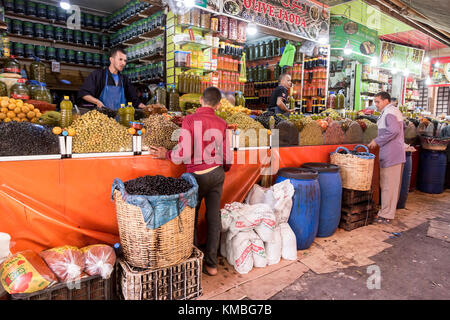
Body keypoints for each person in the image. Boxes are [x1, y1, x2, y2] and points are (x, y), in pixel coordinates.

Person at [149, 87, 231, 276]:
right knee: (213, 218)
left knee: (190, 219)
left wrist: (166, 154)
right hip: (217, 173)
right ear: (218, 105)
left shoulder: (190, 120)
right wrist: (222, 169)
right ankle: (211, 265)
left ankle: (192, 264)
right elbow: (226, 156)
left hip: (196, 176)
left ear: (200, 100)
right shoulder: (222, 122)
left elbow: (183, 154)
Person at [368, 92, 405, 223]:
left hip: (392, 155)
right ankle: (384, 212)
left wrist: (377, 140)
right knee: (386, 184)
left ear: (385, 101)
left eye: (377, 102)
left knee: (389, 186)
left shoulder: (390, 112)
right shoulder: (389, 112)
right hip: (390, 154)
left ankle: (387, 215)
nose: (376, 105)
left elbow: (394, 130)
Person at [77, 47, 146, 110]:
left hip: (121, 119)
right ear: (111, 60)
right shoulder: (98, 75)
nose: (123, 63)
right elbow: (84, 93)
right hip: (102, 119)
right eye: (120, 59)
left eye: (125, 61)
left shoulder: (124, 79)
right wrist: (97, 102)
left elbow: (134, 99)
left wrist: (146, 107)